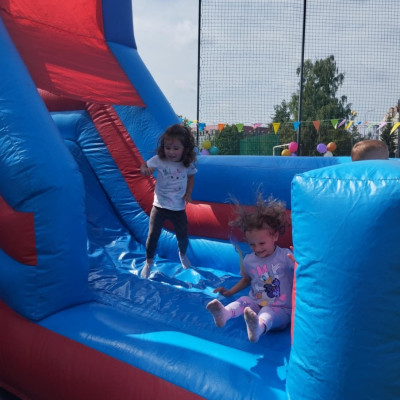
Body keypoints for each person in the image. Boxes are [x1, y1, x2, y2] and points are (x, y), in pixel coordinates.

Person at [206, 196, 294, 343]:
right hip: (256, 304)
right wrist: (230, 292)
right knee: (244, 300)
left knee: (267, 311)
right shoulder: (249, 260)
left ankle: (258, 327)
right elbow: (247, 280)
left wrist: (299, 262)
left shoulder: (285, 256)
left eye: (262, 243)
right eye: (252, 245)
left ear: (275, 236)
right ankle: (224, 314)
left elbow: (302, 272)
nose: (257, 249)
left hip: (281, 309)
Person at [140, 124, 197, 278]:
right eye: (168, 147)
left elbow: (191, 176)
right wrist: (145, 170)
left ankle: (182, 254)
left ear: (185, 149)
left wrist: (188, 193)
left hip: (178, 208)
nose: (171, 151)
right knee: (153, 235)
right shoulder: (159, 160)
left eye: (176, 148)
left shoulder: (186, 164)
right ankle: (148, 262)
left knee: (183, 236)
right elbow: (144, 166)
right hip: (159, 206)